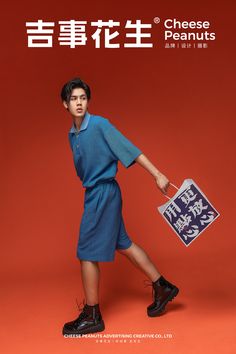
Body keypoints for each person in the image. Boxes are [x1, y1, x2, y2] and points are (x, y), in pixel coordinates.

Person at [60, 77, 179, 336]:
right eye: (73, 99)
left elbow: (131, 150)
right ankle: (163, 286)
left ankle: (92, 315)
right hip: (95, 193)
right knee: (123, 244)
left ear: (88, 101)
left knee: (86, 253)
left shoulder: (100, 125)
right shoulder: (73, 134)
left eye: (83, 98)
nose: (79, 103)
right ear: (65, 105)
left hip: (104, 193)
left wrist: (157, 174)